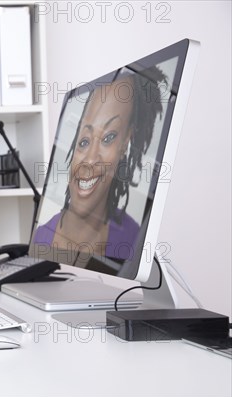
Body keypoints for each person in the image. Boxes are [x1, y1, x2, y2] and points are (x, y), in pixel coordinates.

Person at [34, 67, 167, 262]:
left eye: (108, 138)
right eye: (84, 141)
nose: (89, 159)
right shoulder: (41, 239)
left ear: (125, 144)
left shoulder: (132, 240)